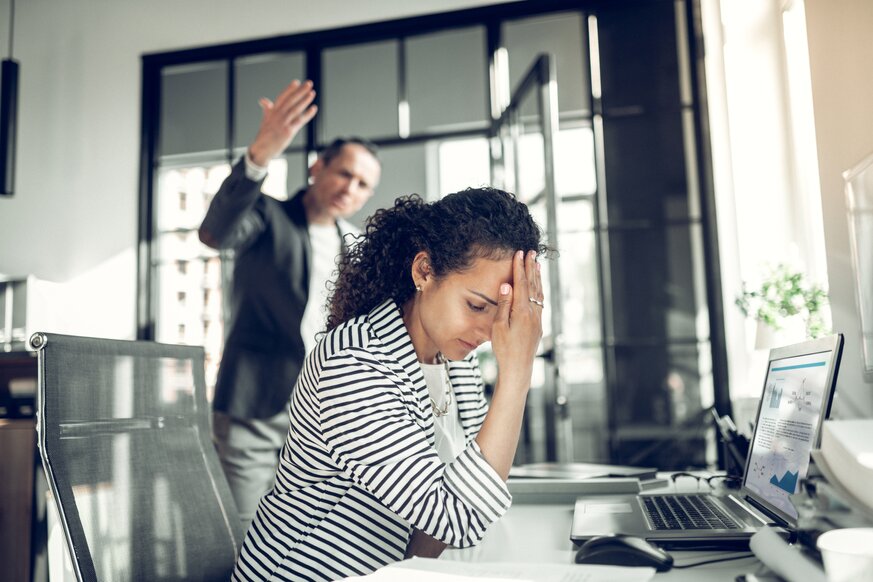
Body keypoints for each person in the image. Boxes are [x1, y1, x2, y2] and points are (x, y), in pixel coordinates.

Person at [232, 188, 548, 581]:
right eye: (477, 306)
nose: (489, 331)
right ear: (424, 271)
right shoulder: (353, 362)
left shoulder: (455, 361)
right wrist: (518, 371)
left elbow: (458, 495)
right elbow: (457, 517)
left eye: (504, 313)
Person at [198, 79, 381, 528]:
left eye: (362, 185)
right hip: (254, 406)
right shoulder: (266, 215)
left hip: (324, 417)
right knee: (241, 533)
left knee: (305, 539)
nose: (350, 188)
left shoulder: (355, 245)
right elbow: (215, 233)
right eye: (344, 173)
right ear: (317, 167)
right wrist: (259, 156)